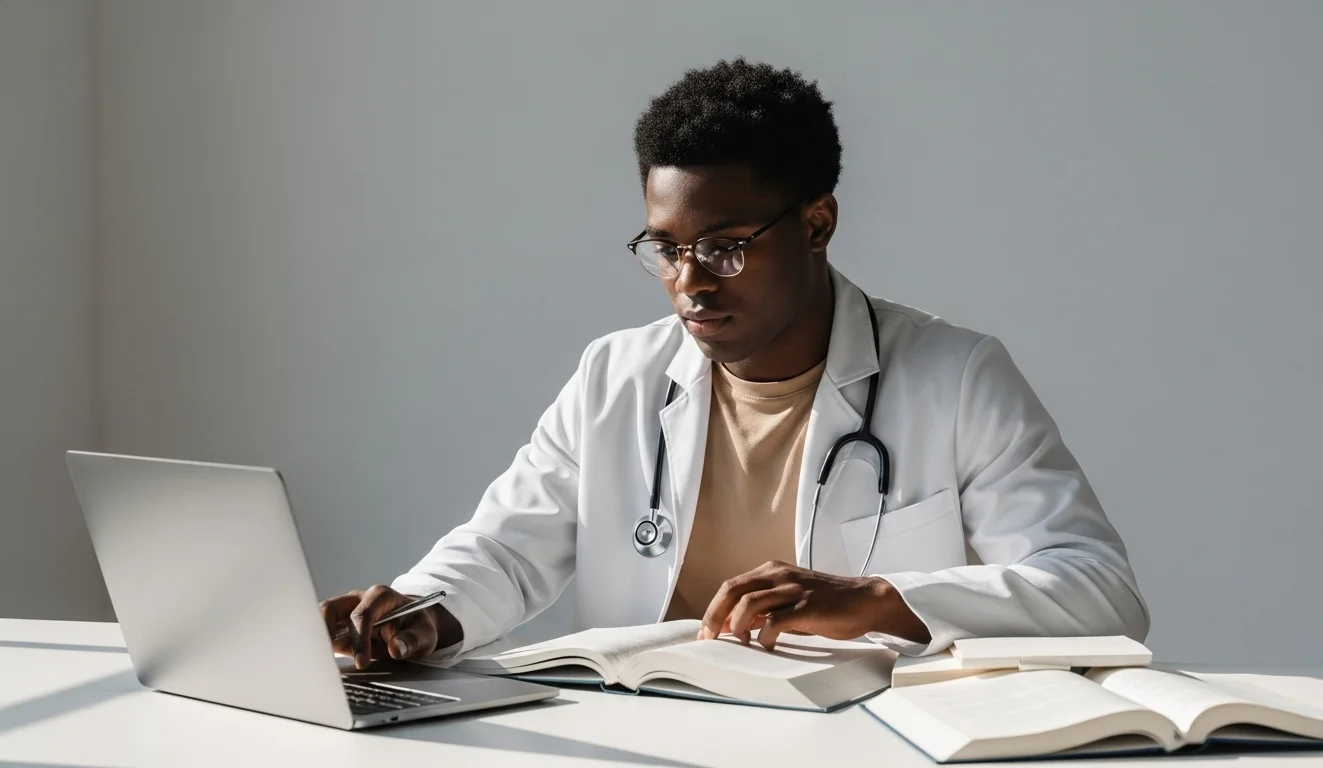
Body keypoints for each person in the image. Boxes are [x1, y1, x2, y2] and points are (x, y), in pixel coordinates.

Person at [322, 58, 1149, 670]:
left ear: (817, 223)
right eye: (667, 247)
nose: (688, 282)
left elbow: (1099, 590)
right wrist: (424, 611)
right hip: (647, 738)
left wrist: (875, 602)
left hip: (860, 745)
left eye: (723, 247)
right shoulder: (616, 377)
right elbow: (504, 550)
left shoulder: (955, 375)